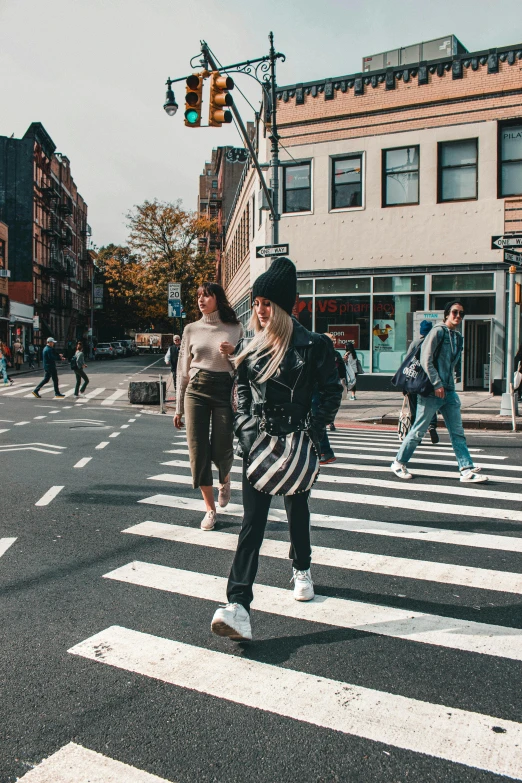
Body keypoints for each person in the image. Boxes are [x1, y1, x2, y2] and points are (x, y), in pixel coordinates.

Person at [211, 258, 342, 642]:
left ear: (286, 306)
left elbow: (332, 392)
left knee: (297, 512)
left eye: (267, 302)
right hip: (261, 446)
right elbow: (240, 394)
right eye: (256, 302)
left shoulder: (314, 345)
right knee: (252, 525)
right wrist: (249, 436)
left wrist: (311, 431)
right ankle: (238, 606)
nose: (259, 309)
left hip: (298, 446)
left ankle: (302, 567)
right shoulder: (250, 346)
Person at [391, 300, 488, 483]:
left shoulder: (458, 337)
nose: (458, 316)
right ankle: (398, 462)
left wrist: (451, 381)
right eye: (454, 312)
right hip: (431, 391)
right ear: (446, 314)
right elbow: (426, 359)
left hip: (449, 390)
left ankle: (466, 469)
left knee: (457, 431)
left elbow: (452, 363)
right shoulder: (438, 332)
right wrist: (437, 383)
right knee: (418, 429)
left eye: (461, 313)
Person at [174, 283, 243, 531]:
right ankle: (210, 510)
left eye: (206, 295)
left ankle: (224, 479)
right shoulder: (191, 329)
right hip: (196, 390)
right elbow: (183, 370)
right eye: (198, 296)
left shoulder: (235, 328)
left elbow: (244, 365)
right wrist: (178, 407)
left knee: (222, 447)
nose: (201, 300)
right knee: (197, 450)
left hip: (224, 389)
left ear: (217, 298)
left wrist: (234, 353)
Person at [405, 320, 439, 445]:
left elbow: (407, 362)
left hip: (415, 380)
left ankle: (416, 435)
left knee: (415, 408)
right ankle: (431, 425)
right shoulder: (434, 344)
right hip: (430, 380)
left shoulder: (415, 343)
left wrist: (405, 384)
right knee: (430, 405)